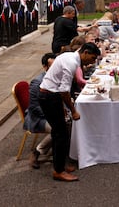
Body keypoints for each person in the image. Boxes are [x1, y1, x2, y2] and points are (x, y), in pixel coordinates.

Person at [38, 43, 100, 181]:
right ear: (85, 52)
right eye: (93, 57)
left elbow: (59, 87)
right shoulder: (72, 62)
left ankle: (59, 166)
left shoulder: (69, 56)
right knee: (61, 134)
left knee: (58, 132)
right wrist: (73, 111)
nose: (93, 61)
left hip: (50, 94)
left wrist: (63, 108)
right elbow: (64, 90)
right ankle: (58, 171)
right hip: (49, 96)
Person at [25, 53, 57, 169]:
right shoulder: (37, 82)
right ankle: (36, 152)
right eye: (52, 66)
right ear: (45, 67)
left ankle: (60, 148)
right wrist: (53, 115)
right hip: (37, 118)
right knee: (58, 128)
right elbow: (34, 107)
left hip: (51, 113)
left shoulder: (56, 77)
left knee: (69, 123)